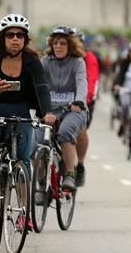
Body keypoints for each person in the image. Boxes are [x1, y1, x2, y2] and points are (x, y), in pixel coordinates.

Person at [0, 14, 53, 211]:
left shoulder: (32, 62)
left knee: (23, 159)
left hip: (21, 113)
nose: (15, 39)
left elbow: (42, 88)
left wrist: (47, 113)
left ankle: (23, 210)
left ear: (25, 39)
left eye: (20, 35)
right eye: (10, 35)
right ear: (3, 38)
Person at [40, 26, 89, 191]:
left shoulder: (78, 62)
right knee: (37, 141)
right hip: (49, 109)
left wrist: (79, 101)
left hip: (73, 109)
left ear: (70, 45)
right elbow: (38, 84)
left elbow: (82, 82)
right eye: (55, 43)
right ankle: (40, 182)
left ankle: (69, 174)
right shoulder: (46, 61)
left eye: (62, 43)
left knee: (66, 132)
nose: (58, 46)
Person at [75, 28, 99, 186]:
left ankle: (80, 164)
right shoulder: (54, 57)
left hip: (84, 100)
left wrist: (84, 99)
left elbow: (91, 80)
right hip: (58, 104)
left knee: (81, 132)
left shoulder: (88, 58)